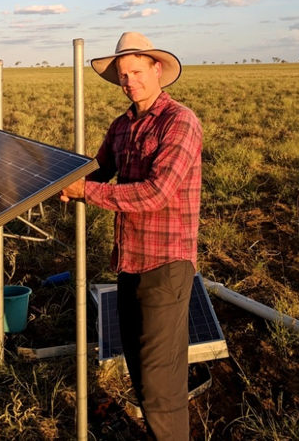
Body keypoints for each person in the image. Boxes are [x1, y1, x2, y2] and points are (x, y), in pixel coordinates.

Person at [60, 32, 202, 441]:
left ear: (157, 70)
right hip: (129, 260)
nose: (130, 82)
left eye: (137, 72)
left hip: (166, 264)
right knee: (140, 367)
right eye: (123, 76)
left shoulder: (180, 122)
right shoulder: (122, 126)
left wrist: (83, 191)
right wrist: (53, 177)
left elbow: (157, 193)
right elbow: (98, 169)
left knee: (160, 382)